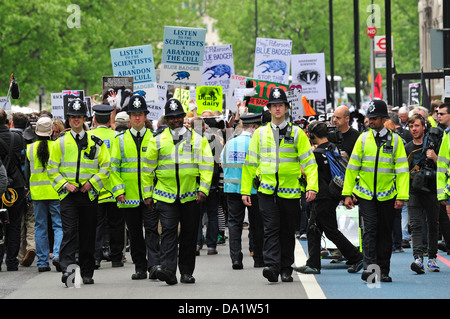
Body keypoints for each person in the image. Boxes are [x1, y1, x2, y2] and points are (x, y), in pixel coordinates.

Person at [241, 87, 319, 283]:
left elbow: (309, 162)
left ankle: (286, 268)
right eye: (274, 105)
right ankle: (272, 266)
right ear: (269, 108)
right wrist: (245, 190)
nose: (277, 109)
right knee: (270, 228)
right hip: (266, 190)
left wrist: (312, 186)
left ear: (286, 108)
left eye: (280, 105)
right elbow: (250, 163)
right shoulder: (260, 133)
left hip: (290, 191)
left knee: (286, 230)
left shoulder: (298, 133)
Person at [145, 98, 213, 285]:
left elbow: (207, 166)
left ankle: (186, 272)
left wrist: (203, 189)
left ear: (184, 117)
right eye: (171, 117)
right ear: (166, 119)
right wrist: (147, 194)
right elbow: (147, 170)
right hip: (165, 195)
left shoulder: (197, 140)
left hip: (191, 194)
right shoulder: (157, 140)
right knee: (168, 232)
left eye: (178, 116)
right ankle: (168, 271)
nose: (175, 120)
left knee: (189, 235)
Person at [343, 99, 409, 283]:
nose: (370, 121)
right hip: (365, 195)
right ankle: (370, 270)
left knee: (384, 233)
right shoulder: (363, 139)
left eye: (374, 118)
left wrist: (402, 195)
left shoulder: (395, 141)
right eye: (369, 118)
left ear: (382, 118)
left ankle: (384, 271)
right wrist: (347, 193)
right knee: (370, 231)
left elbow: (402, 171)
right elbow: (352, 168)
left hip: (387, 195)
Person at [48, 98, 111, 285]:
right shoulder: (60, 142)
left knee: (88, 234)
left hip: (88, 194)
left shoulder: (96, 142)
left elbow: (106, 166)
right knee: (69, 233)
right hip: (68, 194)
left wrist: (92, 183)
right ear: (68, 119)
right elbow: (52, 168)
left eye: (79, 117)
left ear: (85, 118)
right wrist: (65, 184)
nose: (76, 120)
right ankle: (68, 271)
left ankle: (87, 272)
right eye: (73, 117)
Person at [295, 121, 363, 275]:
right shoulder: (333, 148)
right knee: (317, 229)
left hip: (321, 195)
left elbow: (307, 172)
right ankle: (314, 263)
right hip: (332, 193)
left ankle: (356, 257)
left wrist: (299, 165)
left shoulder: (316, 154)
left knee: (325, 230)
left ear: (312, 135)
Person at [110, 94, 159, 280]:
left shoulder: (155, 139)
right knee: (136, 234)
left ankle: (154, 265)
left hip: (150, 196)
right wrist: (119, 190)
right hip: (128, 195)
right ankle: (140, 266)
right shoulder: (120, 140)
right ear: (129, 117)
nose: (137, 117)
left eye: (140, 114)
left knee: (153, 231)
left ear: (145, 116)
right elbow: (113, 168)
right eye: (134, 114)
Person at [222, 113, 264, 269]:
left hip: (231, 188)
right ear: (253, 127)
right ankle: (258, 258)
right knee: (257, 224)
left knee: (234, 224)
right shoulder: (255, 143)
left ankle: (236, 259)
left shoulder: (229, 143)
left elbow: (222, 162)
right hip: (252, 189)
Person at [25, 116, 63, 272]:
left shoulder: (30, 149)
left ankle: (42, 262)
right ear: (51, 130)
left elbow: (27, 174)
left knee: (40, 227)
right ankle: (58, 255)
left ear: (36, 130)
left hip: (38, 194)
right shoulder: (57, 146)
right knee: (58, 225)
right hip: (56, 192)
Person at [90, 104, 125, 269]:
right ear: (110, 119)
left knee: (95, 225)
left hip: (95, 188)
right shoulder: (118, 136)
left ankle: (95, 258)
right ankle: (117, 258)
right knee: (116, 224)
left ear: (95, 119)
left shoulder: (88, 136)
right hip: (114, 189)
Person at [405, 113, 440, 273]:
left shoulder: (433, 144)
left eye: (417, 126)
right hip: (414, 190)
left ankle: (432, 258)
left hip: (432, 189)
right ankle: (418, 259)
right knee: (416, 225)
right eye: (411, 126)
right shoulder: (407, 148)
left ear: (424, 127)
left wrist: (435, 158)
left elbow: (444, 167)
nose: (414, 129)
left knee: (433, 224)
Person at [0, 109, 27, 271]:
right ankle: (12, 261)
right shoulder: (17, 137)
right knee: (15, 224)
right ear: (8, 122)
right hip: (16, 185)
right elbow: (23, 162)